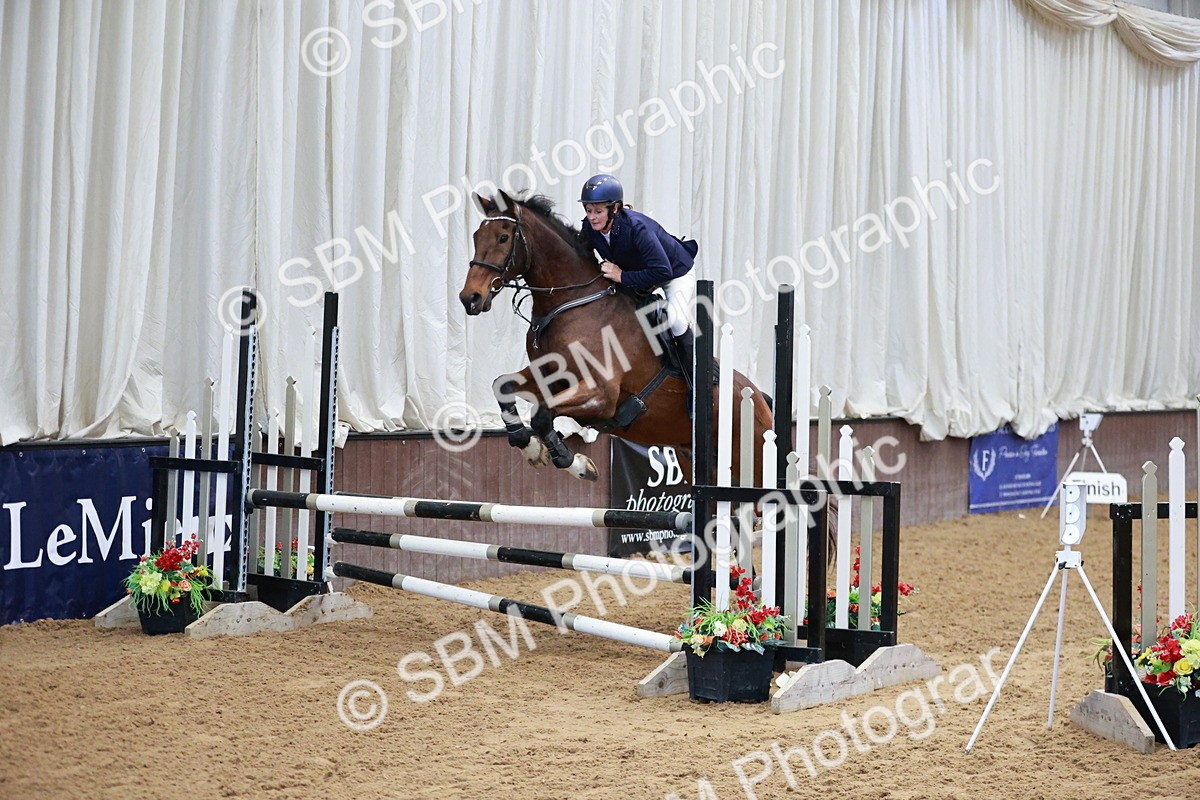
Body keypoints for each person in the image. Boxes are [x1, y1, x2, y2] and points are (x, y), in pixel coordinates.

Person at [578, 173, 698, 387]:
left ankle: (696, 380)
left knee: (676, 320)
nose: (592, 217)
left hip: (674, 273)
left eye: (598, 211)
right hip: (638, 273)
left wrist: (621, 276)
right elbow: (581, 258)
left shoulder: (637, 228)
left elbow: (662, 271)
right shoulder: (589, 228)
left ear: (615, 208)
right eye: (588, 211)